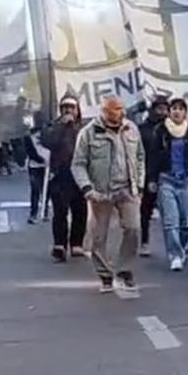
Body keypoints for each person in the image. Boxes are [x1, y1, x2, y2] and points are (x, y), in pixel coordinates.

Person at [71, 96, 145, 296]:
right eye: (113, 111)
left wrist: (139, 185)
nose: (118, 115)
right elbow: (78, 164)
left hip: (127, 189)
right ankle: (104, 273)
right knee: (98, 236)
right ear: (103, 112)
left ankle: (124, 268)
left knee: (133, 229)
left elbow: (140, 157)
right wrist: (87, 189)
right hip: (100, 192)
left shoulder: (131, 129)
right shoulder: (88, 133)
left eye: (120, 110)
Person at [147, 98, 188, 272]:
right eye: (174, 108)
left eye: (181, 109)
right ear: (169, 111)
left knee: (186, 222)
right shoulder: (161, 131)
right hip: (167, 179)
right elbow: (154, 156)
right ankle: (175, 255)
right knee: (171, 221)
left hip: (187, 180)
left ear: (185, 112)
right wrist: (152, 179)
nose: (177, 112)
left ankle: (182, 247)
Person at [41, 94, 87, 263]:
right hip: (60, 174)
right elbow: (47, 141)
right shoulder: (53, 126)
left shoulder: (84, 128)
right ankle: (59, 245)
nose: (68, 110)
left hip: (81, 174)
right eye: (65, 107)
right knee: (60, 211)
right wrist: (61, 126)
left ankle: (77, 244)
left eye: (71, 107)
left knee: (80, 210)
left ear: (77, 110)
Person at [137, 96, 169, 257]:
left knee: (171, 213)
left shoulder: (171, 128)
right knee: (145, 210)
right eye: (159, 109)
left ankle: (175, 244)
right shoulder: (142, 129)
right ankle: (144, 241)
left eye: (165, 109)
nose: (163, 112)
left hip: (168, 174)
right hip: (148, 174)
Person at [23, 111, 49, 225]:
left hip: (47, 166)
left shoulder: (49, 134)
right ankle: (34, 214)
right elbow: (30, 152)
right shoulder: (28, 135)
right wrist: (41, 160)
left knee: (46, 190)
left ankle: (44, 212)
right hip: (35, 166)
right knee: (36, 190)